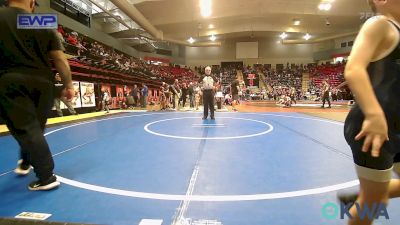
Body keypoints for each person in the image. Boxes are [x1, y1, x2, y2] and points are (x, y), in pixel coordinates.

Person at [0, 0, 73, 190]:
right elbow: (59, 57)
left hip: (11, 80)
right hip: (43, 85)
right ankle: (25, 162)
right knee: (34, 128)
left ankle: (46, 177)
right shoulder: (40, 21)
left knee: (26, 128)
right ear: (32, 2)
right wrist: (68, 84)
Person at [338, 1, 400, 225]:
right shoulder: (381, 25)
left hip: (396, 126)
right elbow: (354, 69)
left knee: (374, 197)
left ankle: (364, 197)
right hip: (372, 127)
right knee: (374, 206)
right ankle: (368, 199)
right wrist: (374, 115)